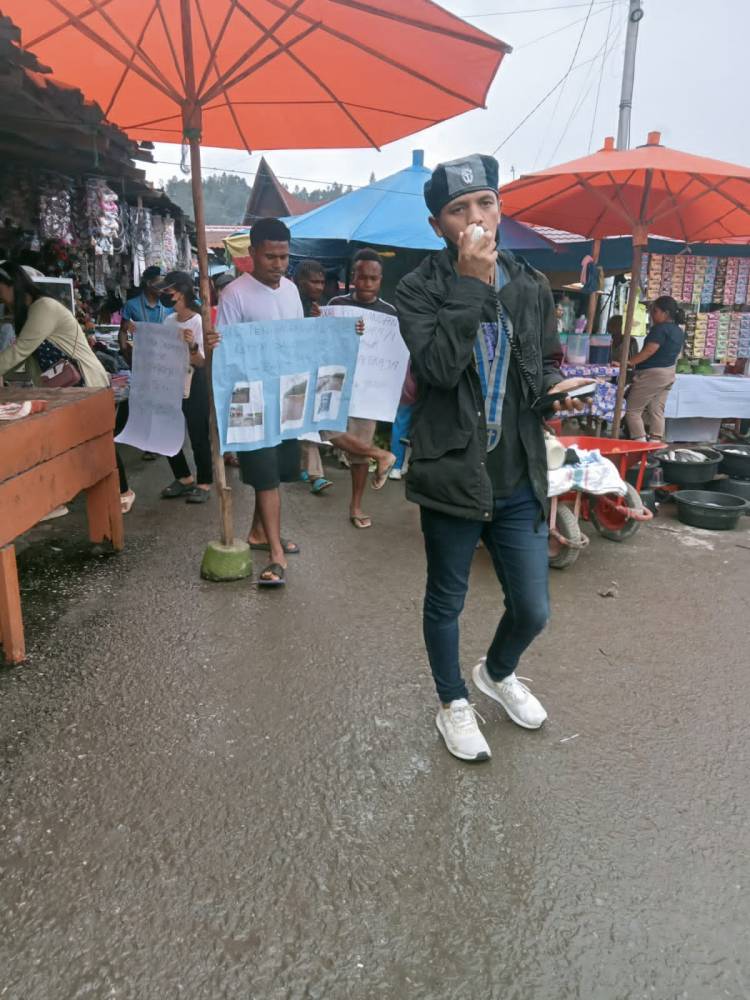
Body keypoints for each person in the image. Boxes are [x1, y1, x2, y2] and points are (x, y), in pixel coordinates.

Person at [396, 154, 589, 763]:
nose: (475, 217)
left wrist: (556, 389)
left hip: (518, 471)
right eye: (458, 210)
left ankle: (497, 673)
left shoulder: (530, 283)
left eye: (485, 203)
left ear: (500, 209)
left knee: (533, 606)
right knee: (446, 600)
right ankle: (453, 701)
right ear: (438, 226)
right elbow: (437, 368)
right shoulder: (417, 288)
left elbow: (547, 359)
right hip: (452, 468)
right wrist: (470, 285)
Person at [0, 261, 135, 514]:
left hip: (85, 383)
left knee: (98, 440)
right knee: (68, 441)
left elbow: (20, 350)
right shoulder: (29, 312)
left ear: (13, 286)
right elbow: (27, 358)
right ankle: (60, 498)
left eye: (1, 291)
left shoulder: (44, 308)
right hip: (64, 387)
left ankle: (122, 491)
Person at [212, 217, 303, 587]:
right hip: (251, 400)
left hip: (287, 395)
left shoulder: (293, 290)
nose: (278, 264)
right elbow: (227, 351)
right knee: (266, 478)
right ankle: (276, 554)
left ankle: (258, 535)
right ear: (251, 254)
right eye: (270, 257)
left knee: (278, 471)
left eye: (284, 257)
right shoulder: (234, 294)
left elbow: (301, 339)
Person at [326, 248, 398, 528]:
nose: (367, 283)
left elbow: (394, 354)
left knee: (358, 455)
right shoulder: (336, 304)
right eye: (362, 277)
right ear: (353, 277)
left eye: (373, 278)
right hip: (336, 384)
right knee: (326, 430)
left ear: (380, 280)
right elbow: (325, 339)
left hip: (369, 390)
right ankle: (381, 455)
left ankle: (356, 506)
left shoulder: (389, 313)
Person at [154, 271, 213, 503]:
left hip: (194, 382)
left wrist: (190, 346)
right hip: (171, 381)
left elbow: (201, 362)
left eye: (168, 290)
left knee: (198, 435)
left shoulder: (199, 320)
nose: (164, 295)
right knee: (168, 433)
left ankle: (205, 482)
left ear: (181, 291)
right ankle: (184, 477)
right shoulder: (168, 321)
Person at [119, 266, 173, 464]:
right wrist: (126, 355)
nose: (161, 287)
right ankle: (149, 442)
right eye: (158, 283)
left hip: (165, 360)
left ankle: (160, 438)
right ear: (148, 283)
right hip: (142, 361)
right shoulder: (132, 306)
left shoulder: (167, 306)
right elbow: (123, 332)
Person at [295, 259, 333, 495]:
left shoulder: (320, 306)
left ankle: (307, 469)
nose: (319, 287)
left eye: (322, 282)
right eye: (314, 282)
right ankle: (314, 473)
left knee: (306, 420)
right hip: (293, 370)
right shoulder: (291, 304)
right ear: (301, 281)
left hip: (313, 372)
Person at [624, 296, 686, 442]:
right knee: (656, 410)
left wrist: (628, 362)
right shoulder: (678, 331)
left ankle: (641, 447)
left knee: (632, 411)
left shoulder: (659, 329)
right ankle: (655, 444)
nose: (652, 314)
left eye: (655, 311)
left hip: (653, 374)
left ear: (665, 313)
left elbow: (649, 351)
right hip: (669, 373)